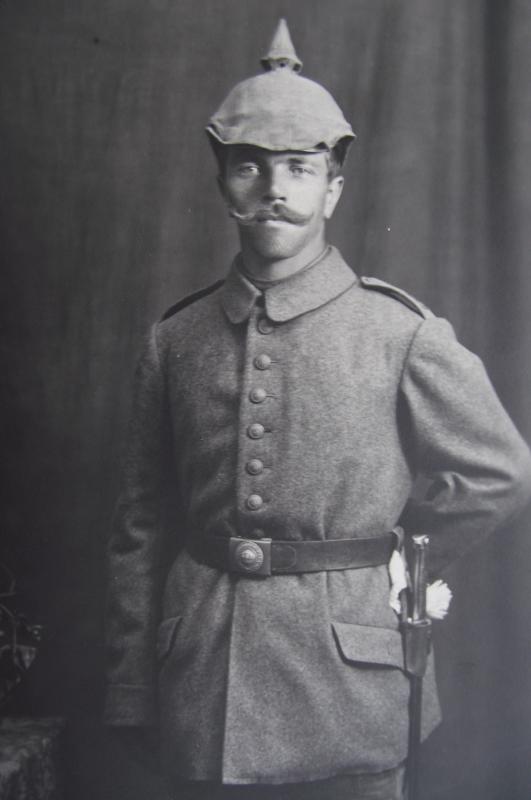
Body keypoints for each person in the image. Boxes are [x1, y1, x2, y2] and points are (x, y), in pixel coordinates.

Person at [103, 20, 531, 800]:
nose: (275, 188)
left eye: (299, 170)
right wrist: (134, 683)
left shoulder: (398, 332)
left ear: (332, 188)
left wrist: (403, 566)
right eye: (249, 167)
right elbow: (140, 525)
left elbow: (498, 474)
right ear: (222, 182)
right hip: (206, 683)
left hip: (350, 684)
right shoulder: (176, 338)